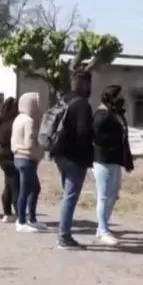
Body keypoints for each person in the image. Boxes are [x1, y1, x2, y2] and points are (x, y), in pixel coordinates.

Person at [53, 70, 96, 250]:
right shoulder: (82, 105)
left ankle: (64, 233)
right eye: (89, 83)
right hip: (74, 157)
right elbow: (83, 133)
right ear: (84, 83)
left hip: (60, 155)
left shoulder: (64, 100)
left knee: (67, 195)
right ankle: (64, 236)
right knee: (70, 196)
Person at [92, 85, 134, 246]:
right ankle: (103, 230)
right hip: (103, 160)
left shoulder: (114, 114)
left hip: (115, 160)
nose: (122, 99)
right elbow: (98, 138)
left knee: (113, 195)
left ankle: (102, 226)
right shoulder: (101, 116)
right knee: (103, 195)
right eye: (118, 96)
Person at [12, 92, 45, 233]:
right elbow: (30, 143)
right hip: (27, 158)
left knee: (34, 188)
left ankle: (31, 218)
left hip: (19, 158)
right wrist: (41, 145)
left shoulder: (18, 118)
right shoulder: (29, 121)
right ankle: (21, 221)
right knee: (25, 190)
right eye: (37, 103)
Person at [0, 97, 20, 223]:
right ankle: (19, 215)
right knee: (15, 184)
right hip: (10, 154)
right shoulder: (14, 122)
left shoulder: (2, 121)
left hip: (1, 154)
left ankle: (7, 213)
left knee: (9, 184)